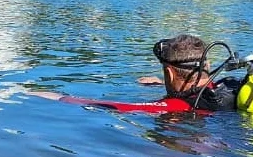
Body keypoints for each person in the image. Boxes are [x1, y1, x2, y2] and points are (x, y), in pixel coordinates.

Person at [32, 34, 242, 113]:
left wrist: (47, 95)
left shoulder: (176, 106)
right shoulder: (227, 86)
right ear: (208, 65)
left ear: (170, 73)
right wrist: (160, 83)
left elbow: (113, 106)